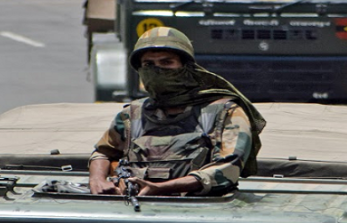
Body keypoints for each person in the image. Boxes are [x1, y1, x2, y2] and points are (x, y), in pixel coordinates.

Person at [88, 27, 266, 197]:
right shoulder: (131, 116)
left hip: (203, 213)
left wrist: (161, 188)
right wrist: (97, 179)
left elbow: (228, 167)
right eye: (149, 64)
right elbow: (103, 152)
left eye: (167, 62)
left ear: (185, 66)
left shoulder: (224, 112)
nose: (157, 70)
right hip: (136, 212)